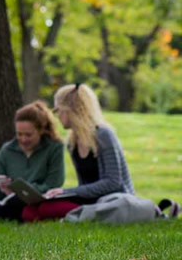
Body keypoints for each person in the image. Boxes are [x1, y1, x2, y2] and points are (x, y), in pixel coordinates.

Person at [22, 84, 134, 222]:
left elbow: (113, 182)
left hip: (112, 203)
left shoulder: (103, 135)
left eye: (58, 110)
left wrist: (67, 192)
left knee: (46, 209)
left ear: (70, 110)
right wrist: (63, 194)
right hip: (90, 201)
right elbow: (84, 185)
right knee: (30, 211)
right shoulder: (72, 142)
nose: (58, 116)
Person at [0, 102, 65, 221]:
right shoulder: (7, 151)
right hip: (10, 202)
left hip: (41, 202)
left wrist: (25, 191)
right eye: (19, 134)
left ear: (41, 130)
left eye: (29, 135)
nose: (23, 139)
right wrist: (3, 188)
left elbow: (54, 183)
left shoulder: (54, 148)